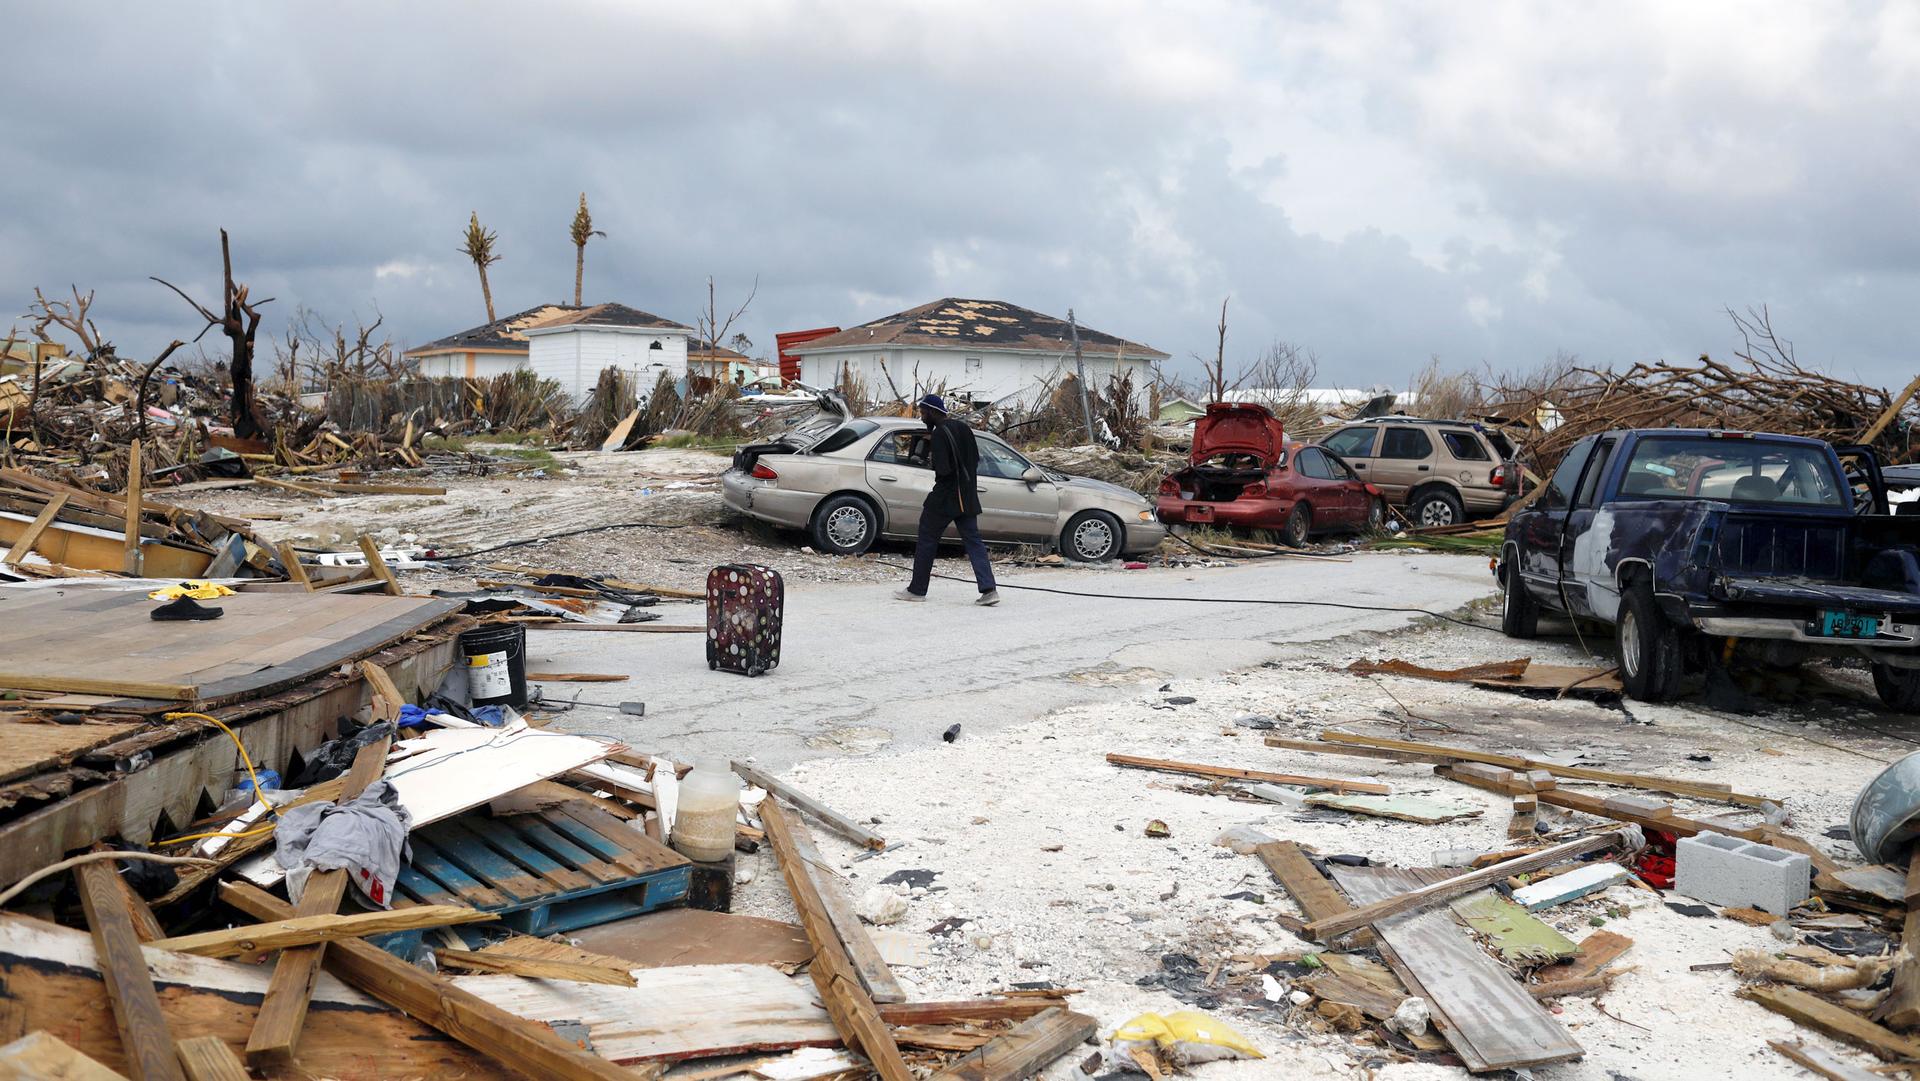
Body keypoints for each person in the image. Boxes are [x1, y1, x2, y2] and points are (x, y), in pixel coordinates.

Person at [895, 394, 1001, 606]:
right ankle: (989, 590)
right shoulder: (963, 428)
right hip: (968, 496)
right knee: (974, 542)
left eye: (924, 413)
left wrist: (928, 457)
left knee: (926, 539)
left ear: (934, 412)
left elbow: (943, 470)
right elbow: (974, 460)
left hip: (945, 497)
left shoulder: (940, 434)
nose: (923, 418)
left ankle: (917, 590)